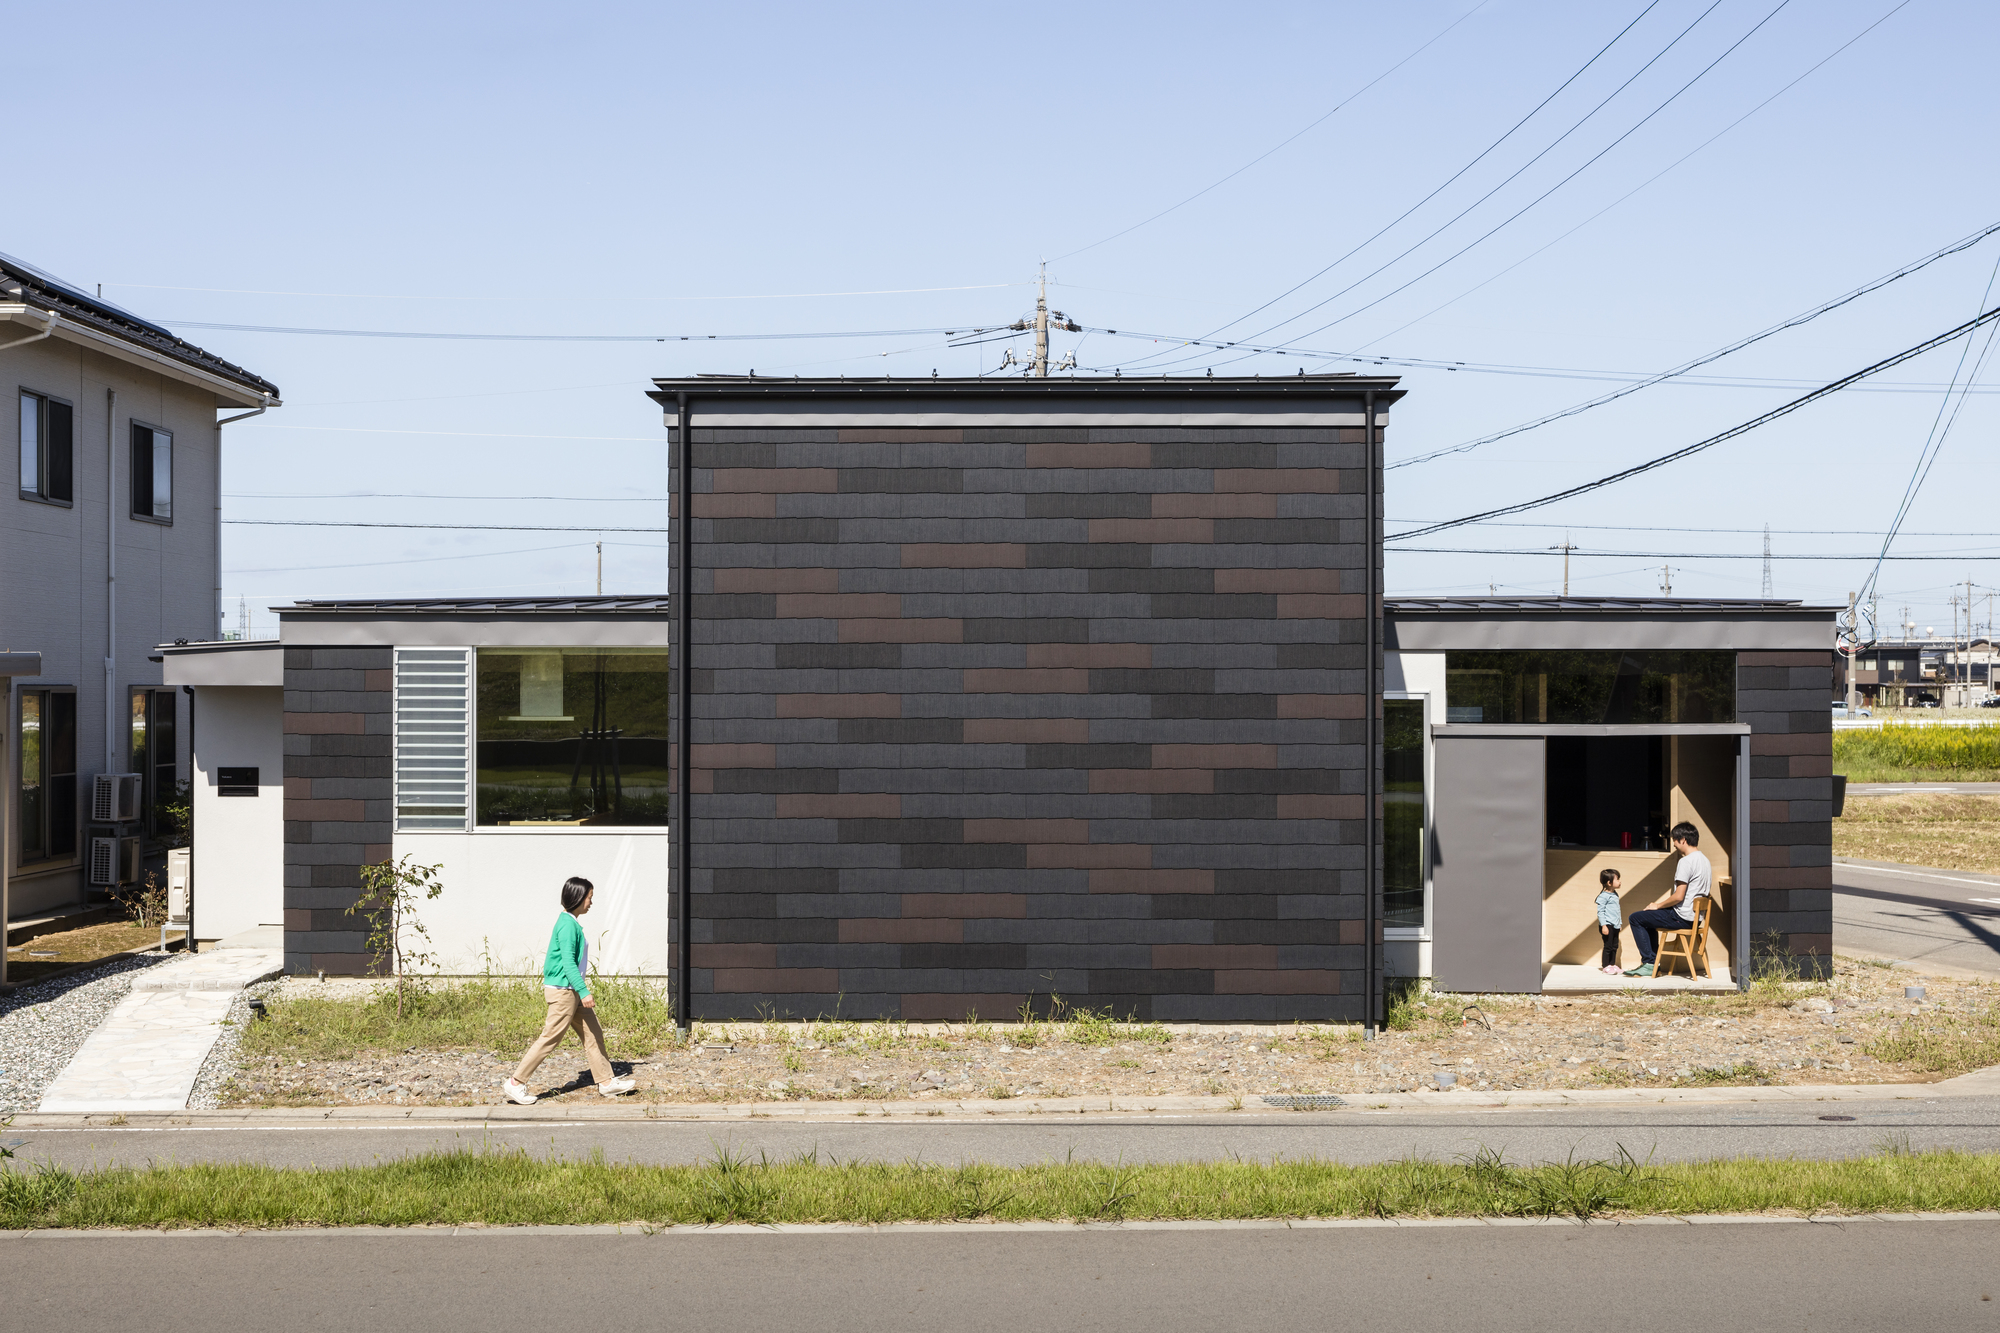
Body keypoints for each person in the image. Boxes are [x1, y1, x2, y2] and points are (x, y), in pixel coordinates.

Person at [503, 876, 636, 1104]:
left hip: (570, 990)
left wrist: (579, 990)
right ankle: (515, 1083)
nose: (591, 902)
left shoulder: (571, 923)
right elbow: (568, 963)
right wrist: (584, 991)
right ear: (578, 898)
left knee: (593, 1033)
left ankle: (606, 1082)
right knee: (550, 1038)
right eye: (589, 898)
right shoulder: (566, 926)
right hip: (563, 991)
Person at [1625, 822, 1711, 978]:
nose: (1674, 844)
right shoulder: (1705, 860)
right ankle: (1652, 963)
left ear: (1683, 840)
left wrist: (1657, 905)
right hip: (1695, 919)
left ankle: (1650, 964)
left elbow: (1679, 896)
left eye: (1675, 840)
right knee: (1647, 918)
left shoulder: (1686, 861)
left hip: (1682, 918)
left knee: (1636, 918)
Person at [1595, 868, 1624, 975]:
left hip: (1615, 925)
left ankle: (1612, 964)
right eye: (1617, 879)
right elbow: (1600, 912)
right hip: (1607, 925)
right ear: (1609, 882)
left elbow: (1617, 910)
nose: (1620, 881)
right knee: (1608, 946)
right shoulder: (1603, 896)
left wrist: (1619, 923)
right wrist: (1604, 925)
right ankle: (1606, 966)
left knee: (1615, 945)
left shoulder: (1614, 894)